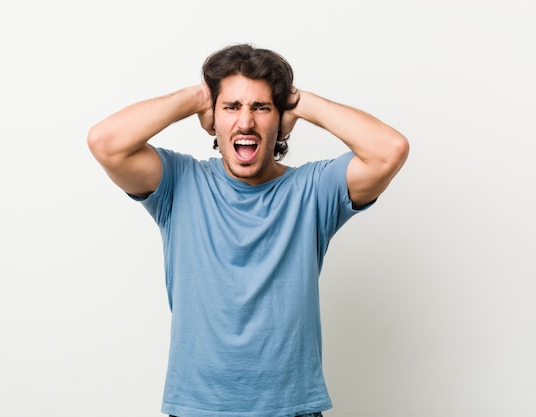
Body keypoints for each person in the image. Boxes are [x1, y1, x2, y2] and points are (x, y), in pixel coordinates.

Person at [87, 43, 409, 417]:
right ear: (212, 119)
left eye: (261, 107)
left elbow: (390, 149)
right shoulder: (179, 182)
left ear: (280, 119)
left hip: (291, 410)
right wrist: (195, 97)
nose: (245, 122)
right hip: (197, 409)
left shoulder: (314, 190)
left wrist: (300, 102)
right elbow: (105, 142)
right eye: (231, 107)